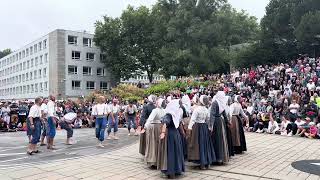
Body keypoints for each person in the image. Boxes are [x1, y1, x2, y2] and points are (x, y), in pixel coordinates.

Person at [158, 99, 185, 178]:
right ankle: (177, 170)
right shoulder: (176, 113)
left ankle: (171, 171)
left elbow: (165, 123)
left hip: (170, 134)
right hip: (176, 134)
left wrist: (163, 133)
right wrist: (182, 132)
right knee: (176, 152)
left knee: (170, 152)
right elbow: (179, 124)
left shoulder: (169, 114)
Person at [187, 95, 216, 169]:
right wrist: (209, 127)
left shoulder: (197, 109)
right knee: (205, 144)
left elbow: (193, 119)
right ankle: (207, 163)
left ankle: (202, 164)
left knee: (199, 144)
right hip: (204, 127)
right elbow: (208, 120)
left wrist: (189, 128)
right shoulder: (206, 109)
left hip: (197, 128)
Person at [144, 98, 166, 168]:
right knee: (159, 144)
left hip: (154, 128)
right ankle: (160, 161)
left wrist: (145, 127)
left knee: (153, 145)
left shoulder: (155, 110)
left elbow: (150, 119)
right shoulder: (164, 110)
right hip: (161, 126)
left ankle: (153, 161)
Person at [209, 91, 230, 164]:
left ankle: (217, 158)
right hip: (221, 122)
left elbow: (212, 114)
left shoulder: (215, 103)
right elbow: (224, 114)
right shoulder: (222, 103)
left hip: (216, 122)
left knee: (217, 140)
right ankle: (221, 158)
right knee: (221, 140)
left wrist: (211, 125)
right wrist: (227, 122)